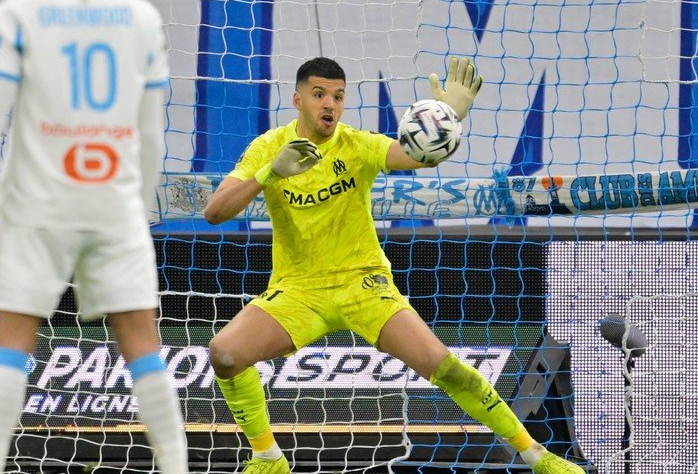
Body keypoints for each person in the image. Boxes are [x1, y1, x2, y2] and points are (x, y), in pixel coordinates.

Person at [202, 56, 586, 474]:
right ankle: (267, 458)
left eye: (338, 96)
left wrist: (451, 116)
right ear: (297, 99)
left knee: (445, 367)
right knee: (224, 354)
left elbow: (418, 156)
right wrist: (268, 174)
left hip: (364, 285)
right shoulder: (268, 148)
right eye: (318, 95)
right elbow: (215, 213)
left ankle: (539, 456)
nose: (329, 104)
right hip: (299, 291)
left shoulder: (357, 145)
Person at [0, 0, 188, 474]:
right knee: (143, 347)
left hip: (37, 203)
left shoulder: (20, 12)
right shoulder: (142, 16)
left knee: (11, 343)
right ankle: (176, 467)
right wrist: (137, 207)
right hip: (113, 201)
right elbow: (153, 133)